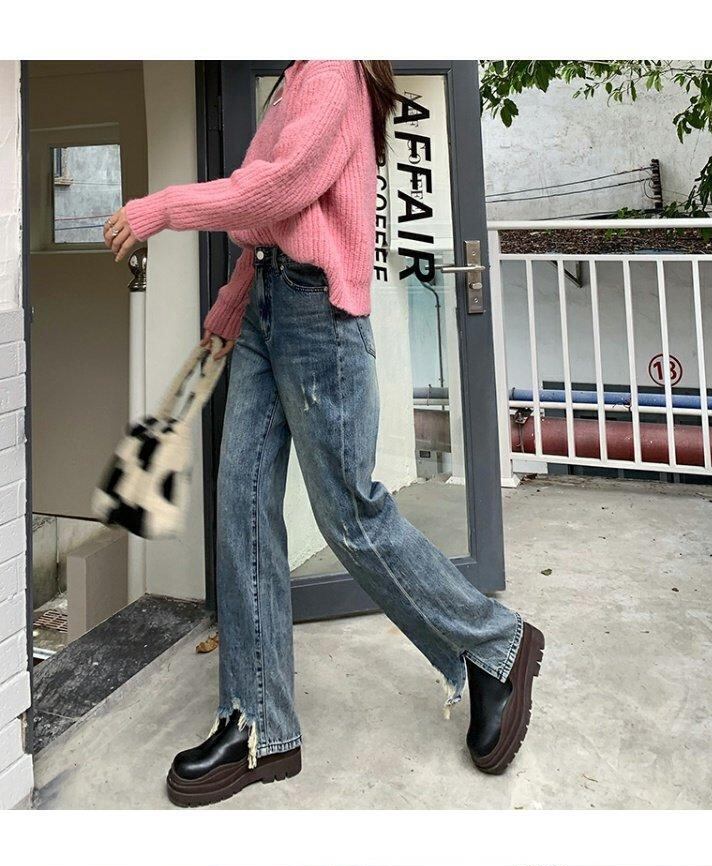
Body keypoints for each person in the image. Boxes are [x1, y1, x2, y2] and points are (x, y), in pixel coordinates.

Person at [104, 61, 542, 805]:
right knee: (242, 505)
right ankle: (258, 725)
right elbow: (272, 229)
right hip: (268, 310)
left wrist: (162, 208)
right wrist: (232, 307)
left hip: (318, 321)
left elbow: (279, 189)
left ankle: (495, 643)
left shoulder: (334, 66)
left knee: (351, 516)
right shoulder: (300, 74)